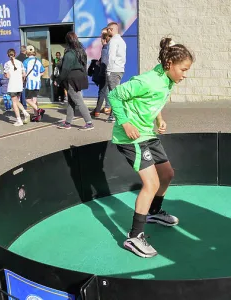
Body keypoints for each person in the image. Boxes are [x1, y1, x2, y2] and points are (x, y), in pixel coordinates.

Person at [108, 37, 194, 258]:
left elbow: (152, 103)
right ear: (169, 65)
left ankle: (154, 212)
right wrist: (125, 123)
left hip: (148, 133)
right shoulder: (147, 80)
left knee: (166, 174)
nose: (185, 75)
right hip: (131, 137)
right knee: (151, 182)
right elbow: (114, 95)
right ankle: (134, 237)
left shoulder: (168, 81)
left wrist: (159, 119)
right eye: (183, 70)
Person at [56, 32, 93, 131]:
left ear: (67, 41)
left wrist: (58, 80)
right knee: (71, 101)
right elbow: (84, 66)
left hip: (71, 79)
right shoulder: (81, 51)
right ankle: (68, 122)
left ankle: (89, 123)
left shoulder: (69, 54)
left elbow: (65, 70)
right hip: (79, 78)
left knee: (78, 101)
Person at [106, 22, 126, 123]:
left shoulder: (113, 41)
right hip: (120, 69)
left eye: (108, 29)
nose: (107, 31)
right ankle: (113, 115)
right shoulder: (122, 41)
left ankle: (114, 116)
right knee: (116, 93)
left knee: (113, 95)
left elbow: (111, 56)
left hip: (113, 70)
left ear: (111, 30)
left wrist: (108, 70)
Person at [4, 49, 30, 126]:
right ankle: (25, 113)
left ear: (7, 55)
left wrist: (4, 74)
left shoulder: (7, 64)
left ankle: (19, 120)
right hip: (19, 85)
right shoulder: (20, 63)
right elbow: (24, 74)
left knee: (14, 102)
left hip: (12, 85)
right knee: (17, 101)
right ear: (15, 54)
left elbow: (7, 76)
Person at [91, 28, 111, 117]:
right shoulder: (110, 46)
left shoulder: (105, 48)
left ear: (104, 39)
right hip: (110, 71)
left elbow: (104, 62)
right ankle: (106, 108)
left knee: (102, 92)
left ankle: (97, 111)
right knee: (106, 91)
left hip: (105, 72)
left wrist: (101, 73)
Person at [23, 45, 45, 122]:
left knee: (28, 99)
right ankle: (36, 116)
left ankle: (39, 110)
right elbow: (42, 71)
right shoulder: (38, 60)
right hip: (37, 82)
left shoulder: (26, 61)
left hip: (30, 82)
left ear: (27, 52)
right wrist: (38, 76)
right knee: (34, 99)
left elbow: (24, 73)